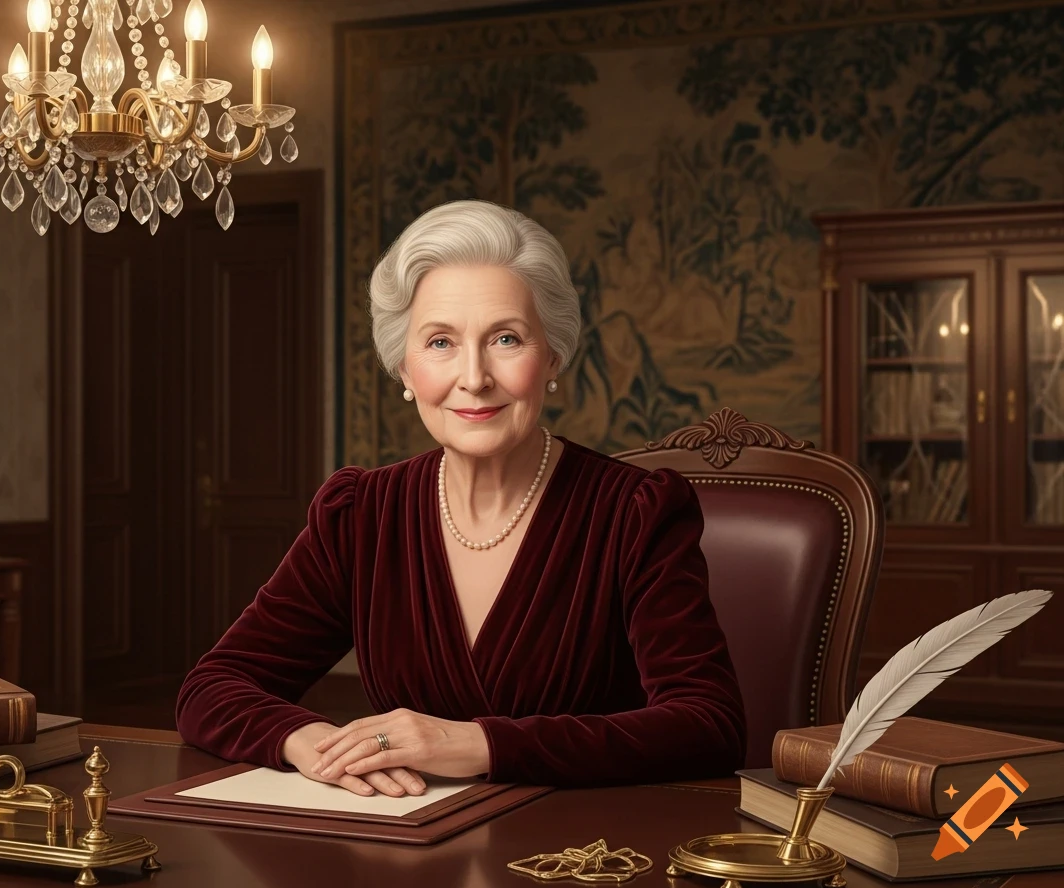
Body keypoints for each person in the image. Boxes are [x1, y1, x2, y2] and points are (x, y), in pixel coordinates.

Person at [175, 199, 746, 797]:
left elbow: (709, 725)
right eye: (440, 342)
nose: (473, 377)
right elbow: (213, 687)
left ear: (552, 355)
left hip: (584, 858)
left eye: (505, 338)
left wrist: (475, 745)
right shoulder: (361, 514)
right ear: (403, 367)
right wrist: (316, 744)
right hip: (411, 851)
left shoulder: (635, 511)